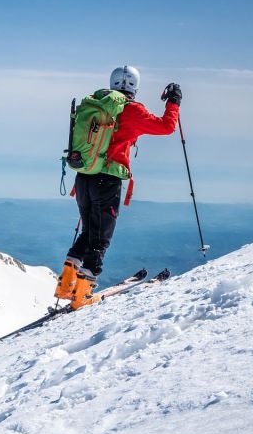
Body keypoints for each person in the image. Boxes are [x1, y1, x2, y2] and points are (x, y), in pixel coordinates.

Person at [55, 66, 181, 309]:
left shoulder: (95, 103)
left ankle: (66, 285)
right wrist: (173, 102)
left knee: (89, 231)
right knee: (100, 239)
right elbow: (166, 127)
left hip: (83, 176)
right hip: (108, 180)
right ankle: (82, 295)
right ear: (135, 86)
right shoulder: (132, 110)